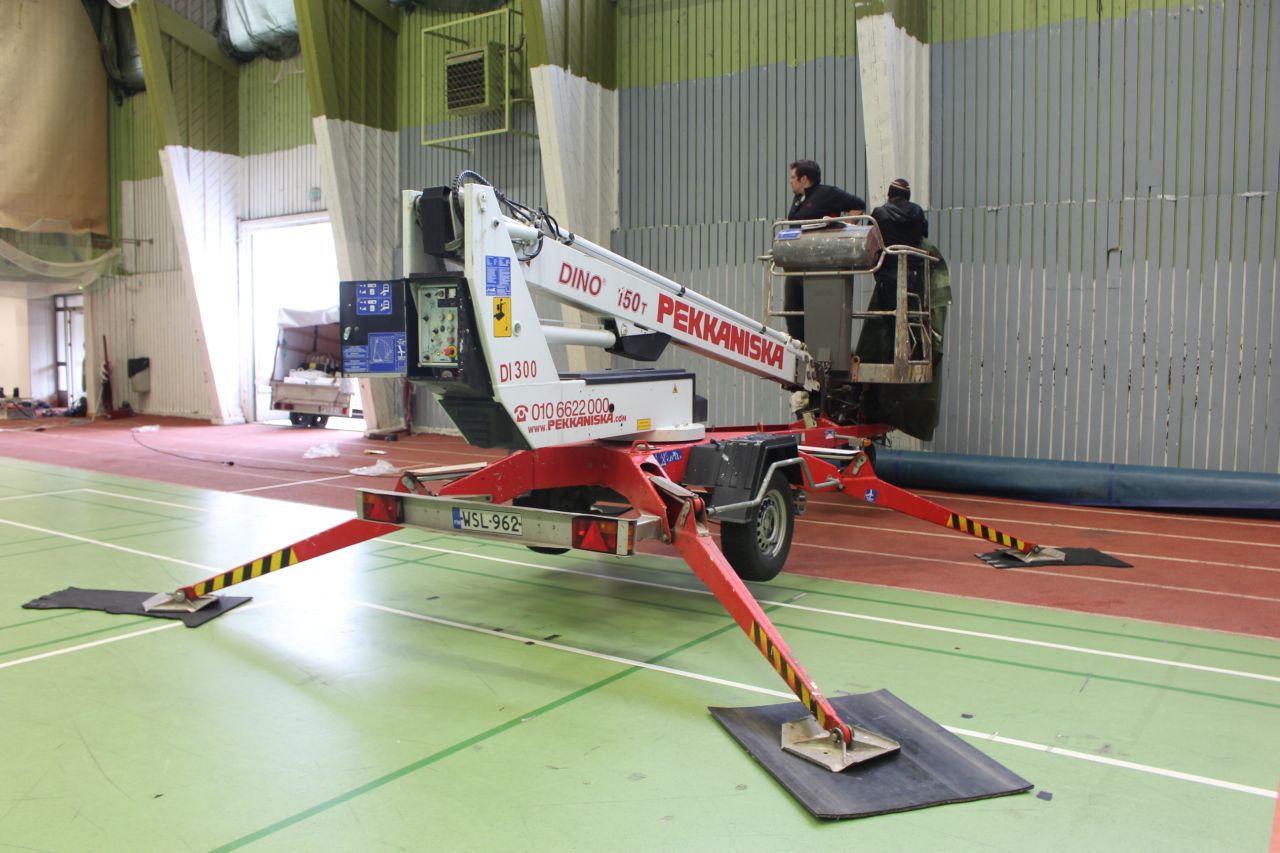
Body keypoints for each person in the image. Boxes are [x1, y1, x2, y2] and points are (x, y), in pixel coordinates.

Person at [783, 160, 865, 341]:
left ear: (804, 179)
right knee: (792, 311)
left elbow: (858, 205)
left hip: (818, 265)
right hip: (797, 262)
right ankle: (799, 349)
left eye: (793, 177)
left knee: (818, 310)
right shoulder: (799, 198)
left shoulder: (827, 193)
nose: (790, 181)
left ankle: (822, 349)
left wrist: (844, 229)